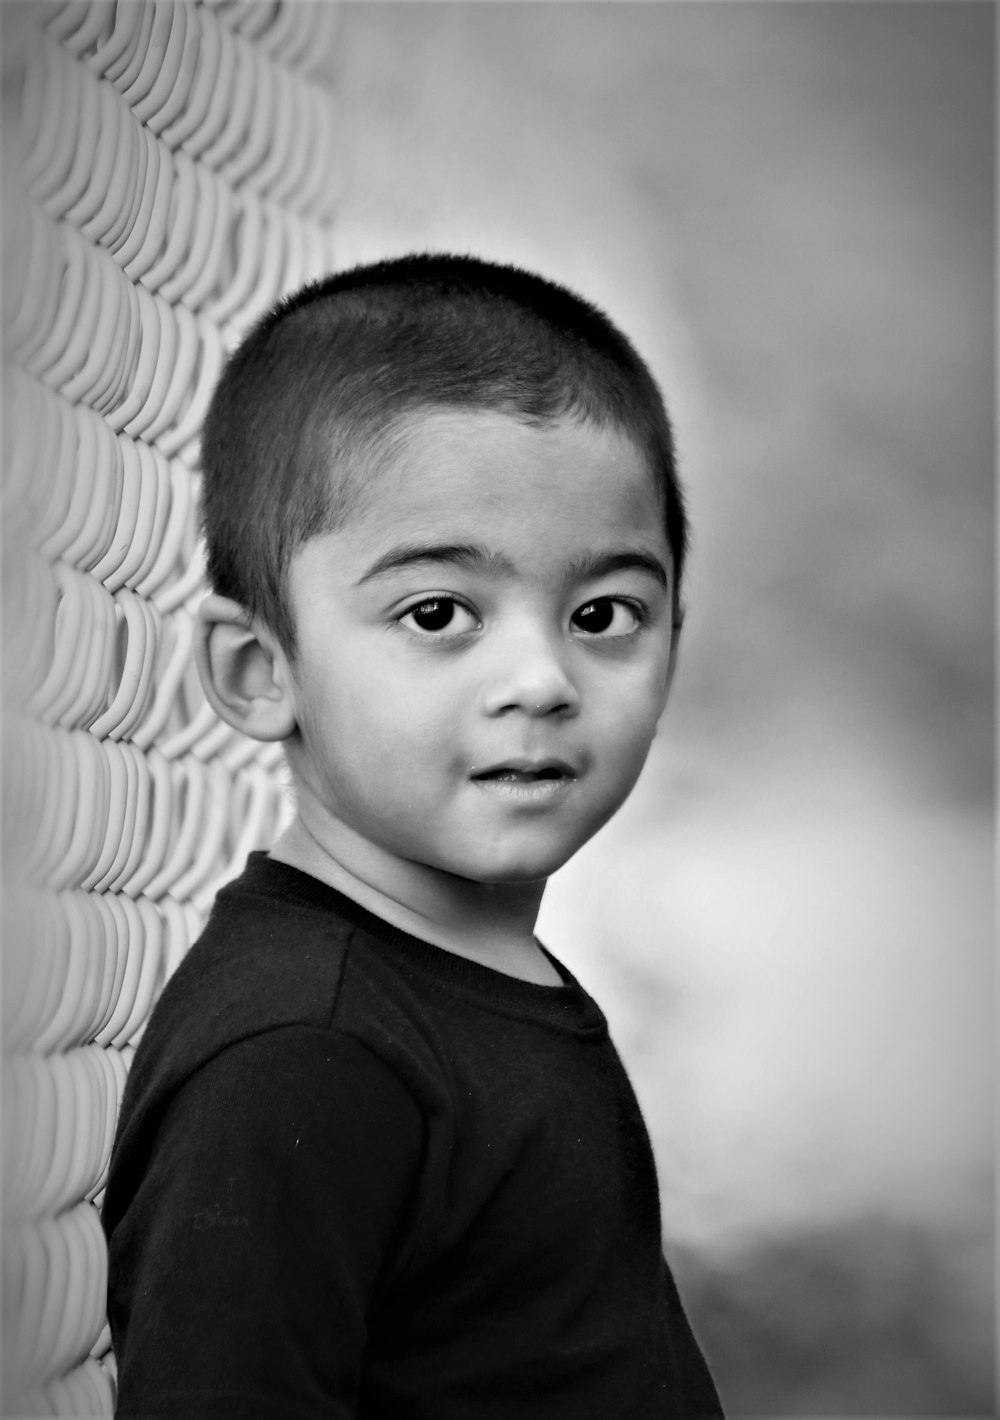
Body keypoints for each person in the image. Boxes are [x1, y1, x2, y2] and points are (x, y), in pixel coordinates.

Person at [102, 254, 724, 1418]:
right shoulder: (306, 1052)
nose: (540, 678)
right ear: (260, 669)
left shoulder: (464, 974)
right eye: (438, 613)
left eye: (604, 615)